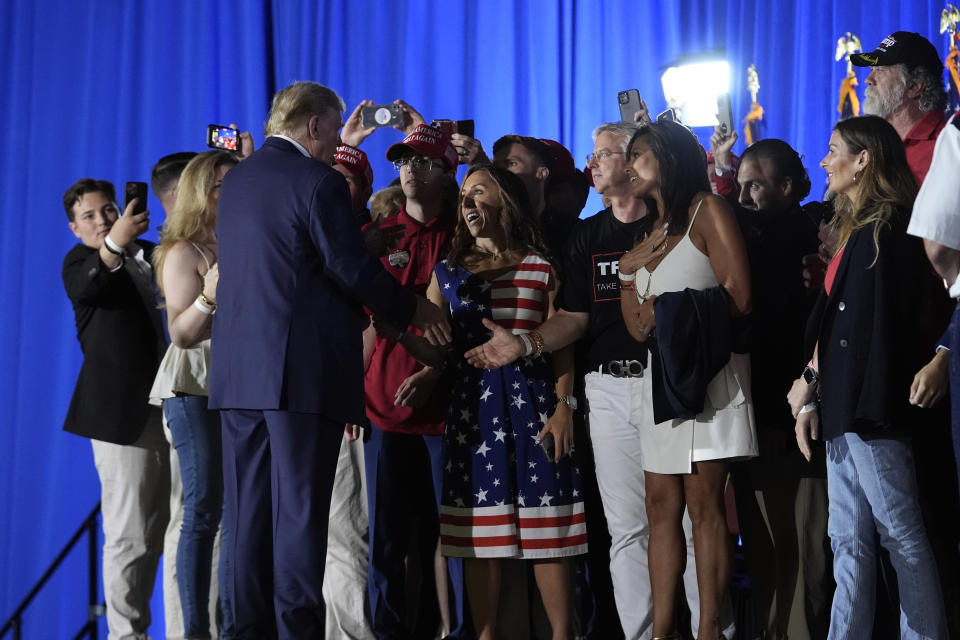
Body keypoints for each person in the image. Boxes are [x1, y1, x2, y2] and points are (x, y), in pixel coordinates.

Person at [208, 80, 450, 639]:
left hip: (239, 376)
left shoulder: (238, 179)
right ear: (314, 126)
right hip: (300, 375)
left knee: (247, 519)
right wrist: (412, 308)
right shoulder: (316, 182)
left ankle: (248, 633)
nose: (332, 143)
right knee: (298, 518)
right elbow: (351, 270)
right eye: (332, 129)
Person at [400, 164, 587, 640]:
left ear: (504, 199)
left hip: (538, 409)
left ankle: (562, 634)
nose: (467, 201)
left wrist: (565, 406)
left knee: (549, 534)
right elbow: (437, 348)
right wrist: (400, 332)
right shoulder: (448, 273)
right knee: (483, 538)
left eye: (478, 191)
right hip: (474, 417)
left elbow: (563, 340)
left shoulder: (542, 266)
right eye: (462, 194)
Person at [790, 115, 948, 640]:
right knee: (847, 540)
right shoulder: (860, 229)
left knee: (899, 533)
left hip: (871, 407)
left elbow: (875, 332)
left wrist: (820, 388)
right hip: (843, 405)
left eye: (834, 149)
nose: (824, 160)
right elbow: (840, 325)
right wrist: (812, 390)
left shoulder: (890, 227)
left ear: (863, 160)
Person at [617, 120, 756, 640]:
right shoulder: (647, 234)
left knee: (704, 507)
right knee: (659, 507)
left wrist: (668, 310)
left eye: (639, 155)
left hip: (709, 382)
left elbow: (741, 296)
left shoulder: (707, 210)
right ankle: (662, 632)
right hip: (664, 384)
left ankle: (709, 629)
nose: (629, 167)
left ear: (670, 157)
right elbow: (636, 330)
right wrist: (630, 276)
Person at [363, 123, 467, 640]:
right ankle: (387, 633)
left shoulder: (464, 233)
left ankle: (461, 629)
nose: (409, 170)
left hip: (448, 410)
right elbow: (362, 321)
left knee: (454, 534)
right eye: (403, 161)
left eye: (422, 162)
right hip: (383, 408)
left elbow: (468, 325)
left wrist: (432, 370)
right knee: (385, 539)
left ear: (448, 173)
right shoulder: (382, 235)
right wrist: (350, 396)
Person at [731, 138, 833, 640]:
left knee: (810, 544)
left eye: (755, 184)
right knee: (764, 541)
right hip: (753, 412)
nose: (743, 194)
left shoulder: (818, 237)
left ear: (787, 187)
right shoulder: (737, 235)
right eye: (739, 183)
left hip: (806, 416)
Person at [61, 178, 170, 639]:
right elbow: (90, 287)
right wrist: (113, 244)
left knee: (173, 528)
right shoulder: (81, 262)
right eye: (90, 216)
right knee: (130, 534)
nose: (104, 219)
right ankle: (127, 635)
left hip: (175, 403)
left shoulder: (155, 251)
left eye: (108, 210)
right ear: (74, 228)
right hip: (122, 416)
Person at [149, 150, 239, 640]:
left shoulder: (244, 239)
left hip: (240, 384)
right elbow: (181, 334)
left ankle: (233, 624)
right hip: (193, 387)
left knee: (236, 512)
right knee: (203, 509)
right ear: (202, 193)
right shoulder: (184, 251)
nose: (233, 193)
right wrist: (211, 293)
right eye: (224, 186)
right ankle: (194, 630)